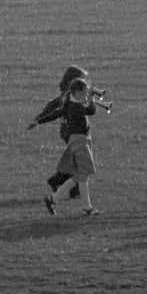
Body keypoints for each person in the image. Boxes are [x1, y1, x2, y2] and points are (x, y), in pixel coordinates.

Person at [45, 78, 105, 215]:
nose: (85, 95)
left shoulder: (72, 102)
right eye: (84, 92)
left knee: (80, 175)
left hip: (80, 140)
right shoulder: (75, 106)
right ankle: (85, 207)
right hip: (79, 140)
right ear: (77, 92)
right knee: (83, 173)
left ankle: (54, 200)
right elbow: (91, 111)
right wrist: (91, 99)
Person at [29, 65, 89, 200]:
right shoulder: (71, 96)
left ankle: (66, 185)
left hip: (67, 131)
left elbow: (52, 105)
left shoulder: (65, 95)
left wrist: (39, 118)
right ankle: (61, 182)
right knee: (78, 161)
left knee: (75, 160)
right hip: (73, 131)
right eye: (82, 80)